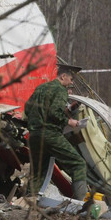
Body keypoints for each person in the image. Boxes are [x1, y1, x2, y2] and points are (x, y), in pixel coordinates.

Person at [25, 63, 87, 200]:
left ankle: (29, 202)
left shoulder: (41, 88)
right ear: (63, 76)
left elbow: (27, 109)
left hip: (34, 136)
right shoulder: (60, 90)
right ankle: (80, 204)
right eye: (71, 80)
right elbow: (54, 111)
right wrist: (69, 121)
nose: (71, 83)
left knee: (38, 171)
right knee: (78, 164)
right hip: (50, 134)